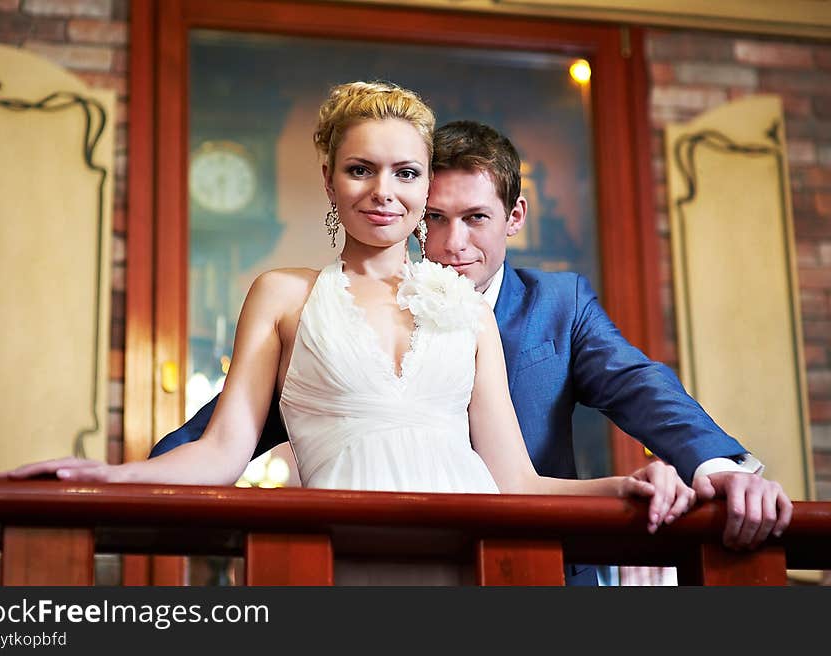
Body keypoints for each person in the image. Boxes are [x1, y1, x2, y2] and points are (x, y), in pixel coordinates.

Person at [0, 81, 696, 549]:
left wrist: (626, 485)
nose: (384, 192)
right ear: (329, 178)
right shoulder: (283, 294)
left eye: (406, 173)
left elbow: (515, 482)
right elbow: (220, 452)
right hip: (336, 553)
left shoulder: (466, 315)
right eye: (361, 169)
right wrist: (105, 476)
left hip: (480, 558)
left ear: (424, 188)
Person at [151, 116, 792, 583]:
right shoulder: (324, 310)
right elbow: (229, 430)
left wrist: (718, 468)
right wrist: (123, 482)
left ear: (514, 217)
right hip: (362, 559)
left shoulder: (558, 304)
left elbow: (639, 383)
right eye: (434, 217)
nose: (453, 242)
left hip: (543, 571)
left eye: (476, 218)